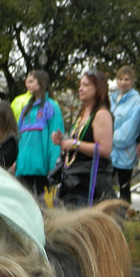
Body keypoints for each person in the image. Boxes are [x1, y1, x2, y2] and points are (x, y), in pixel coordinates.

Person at [51, 70, 115, 206]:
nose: (80, 89)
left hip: (89, 184)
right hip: (73, 181)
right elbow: (81, 140)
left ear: (98, 88)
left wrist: (75, 144)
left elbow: (105, 149)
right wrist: (64, 141)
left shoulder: (101, 114)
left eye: (86, 85)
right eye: (80, 85)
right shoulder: (82, 113)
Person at [14, 70, 64, 197]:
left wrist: (54, 168)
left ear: (41, 83)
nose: (28, 84)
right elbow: (20, 139)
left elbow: (55, 140)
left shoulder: (52, 106)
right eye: (27, 81)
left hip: (43, 171)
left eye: (31, 81)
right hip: (23, 169)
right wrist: (17, 163)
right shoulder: (25, 110)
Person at [110, 66, 140, 204]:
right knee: (104, 187)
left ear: (132, 81)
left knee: (124, 188)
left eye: (126, 79)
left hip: (125, 153)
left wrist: (109, 137)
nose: (123, 82)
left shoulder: (137, 101)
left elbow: (130, 130)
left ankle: (125, 213)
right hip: (109, 152)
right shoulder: (110, 98)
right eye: (120, 79)